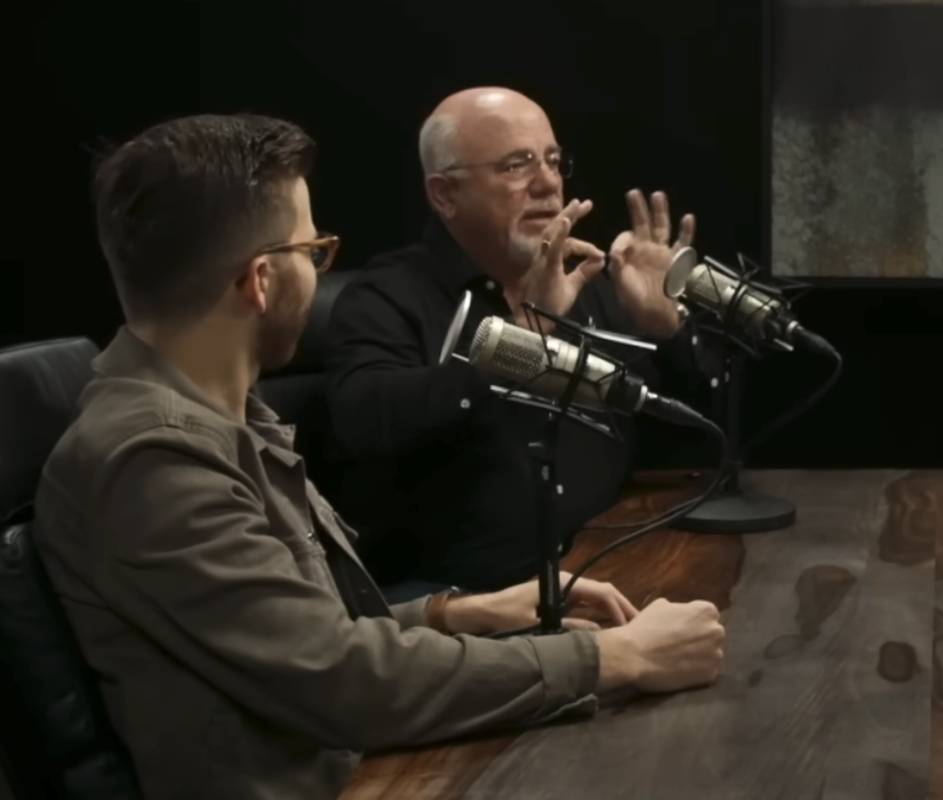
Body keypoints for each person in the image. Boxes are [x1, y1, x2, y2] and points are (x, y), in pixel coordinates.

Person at [34, 113, 726, 799]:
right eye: (315, 253)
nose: (319, 272)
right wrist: (614, 658)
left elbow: (292, 638)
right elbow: (340, 680)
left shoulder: (219, 419)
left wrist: (454, 613)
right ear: (261, 281)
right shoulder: (153, 458)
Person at [327, 87, 703, 595]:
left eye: (552, 161)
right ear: (445, 194)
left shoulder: (590, 284)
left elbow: (702, 441)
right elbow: (365, 423)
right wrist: (526, 341)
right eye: (515, 166)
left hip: (611, 560)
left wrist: (667, 328)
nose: (549, 183)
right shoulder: (386, 298)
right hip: (465, 607)